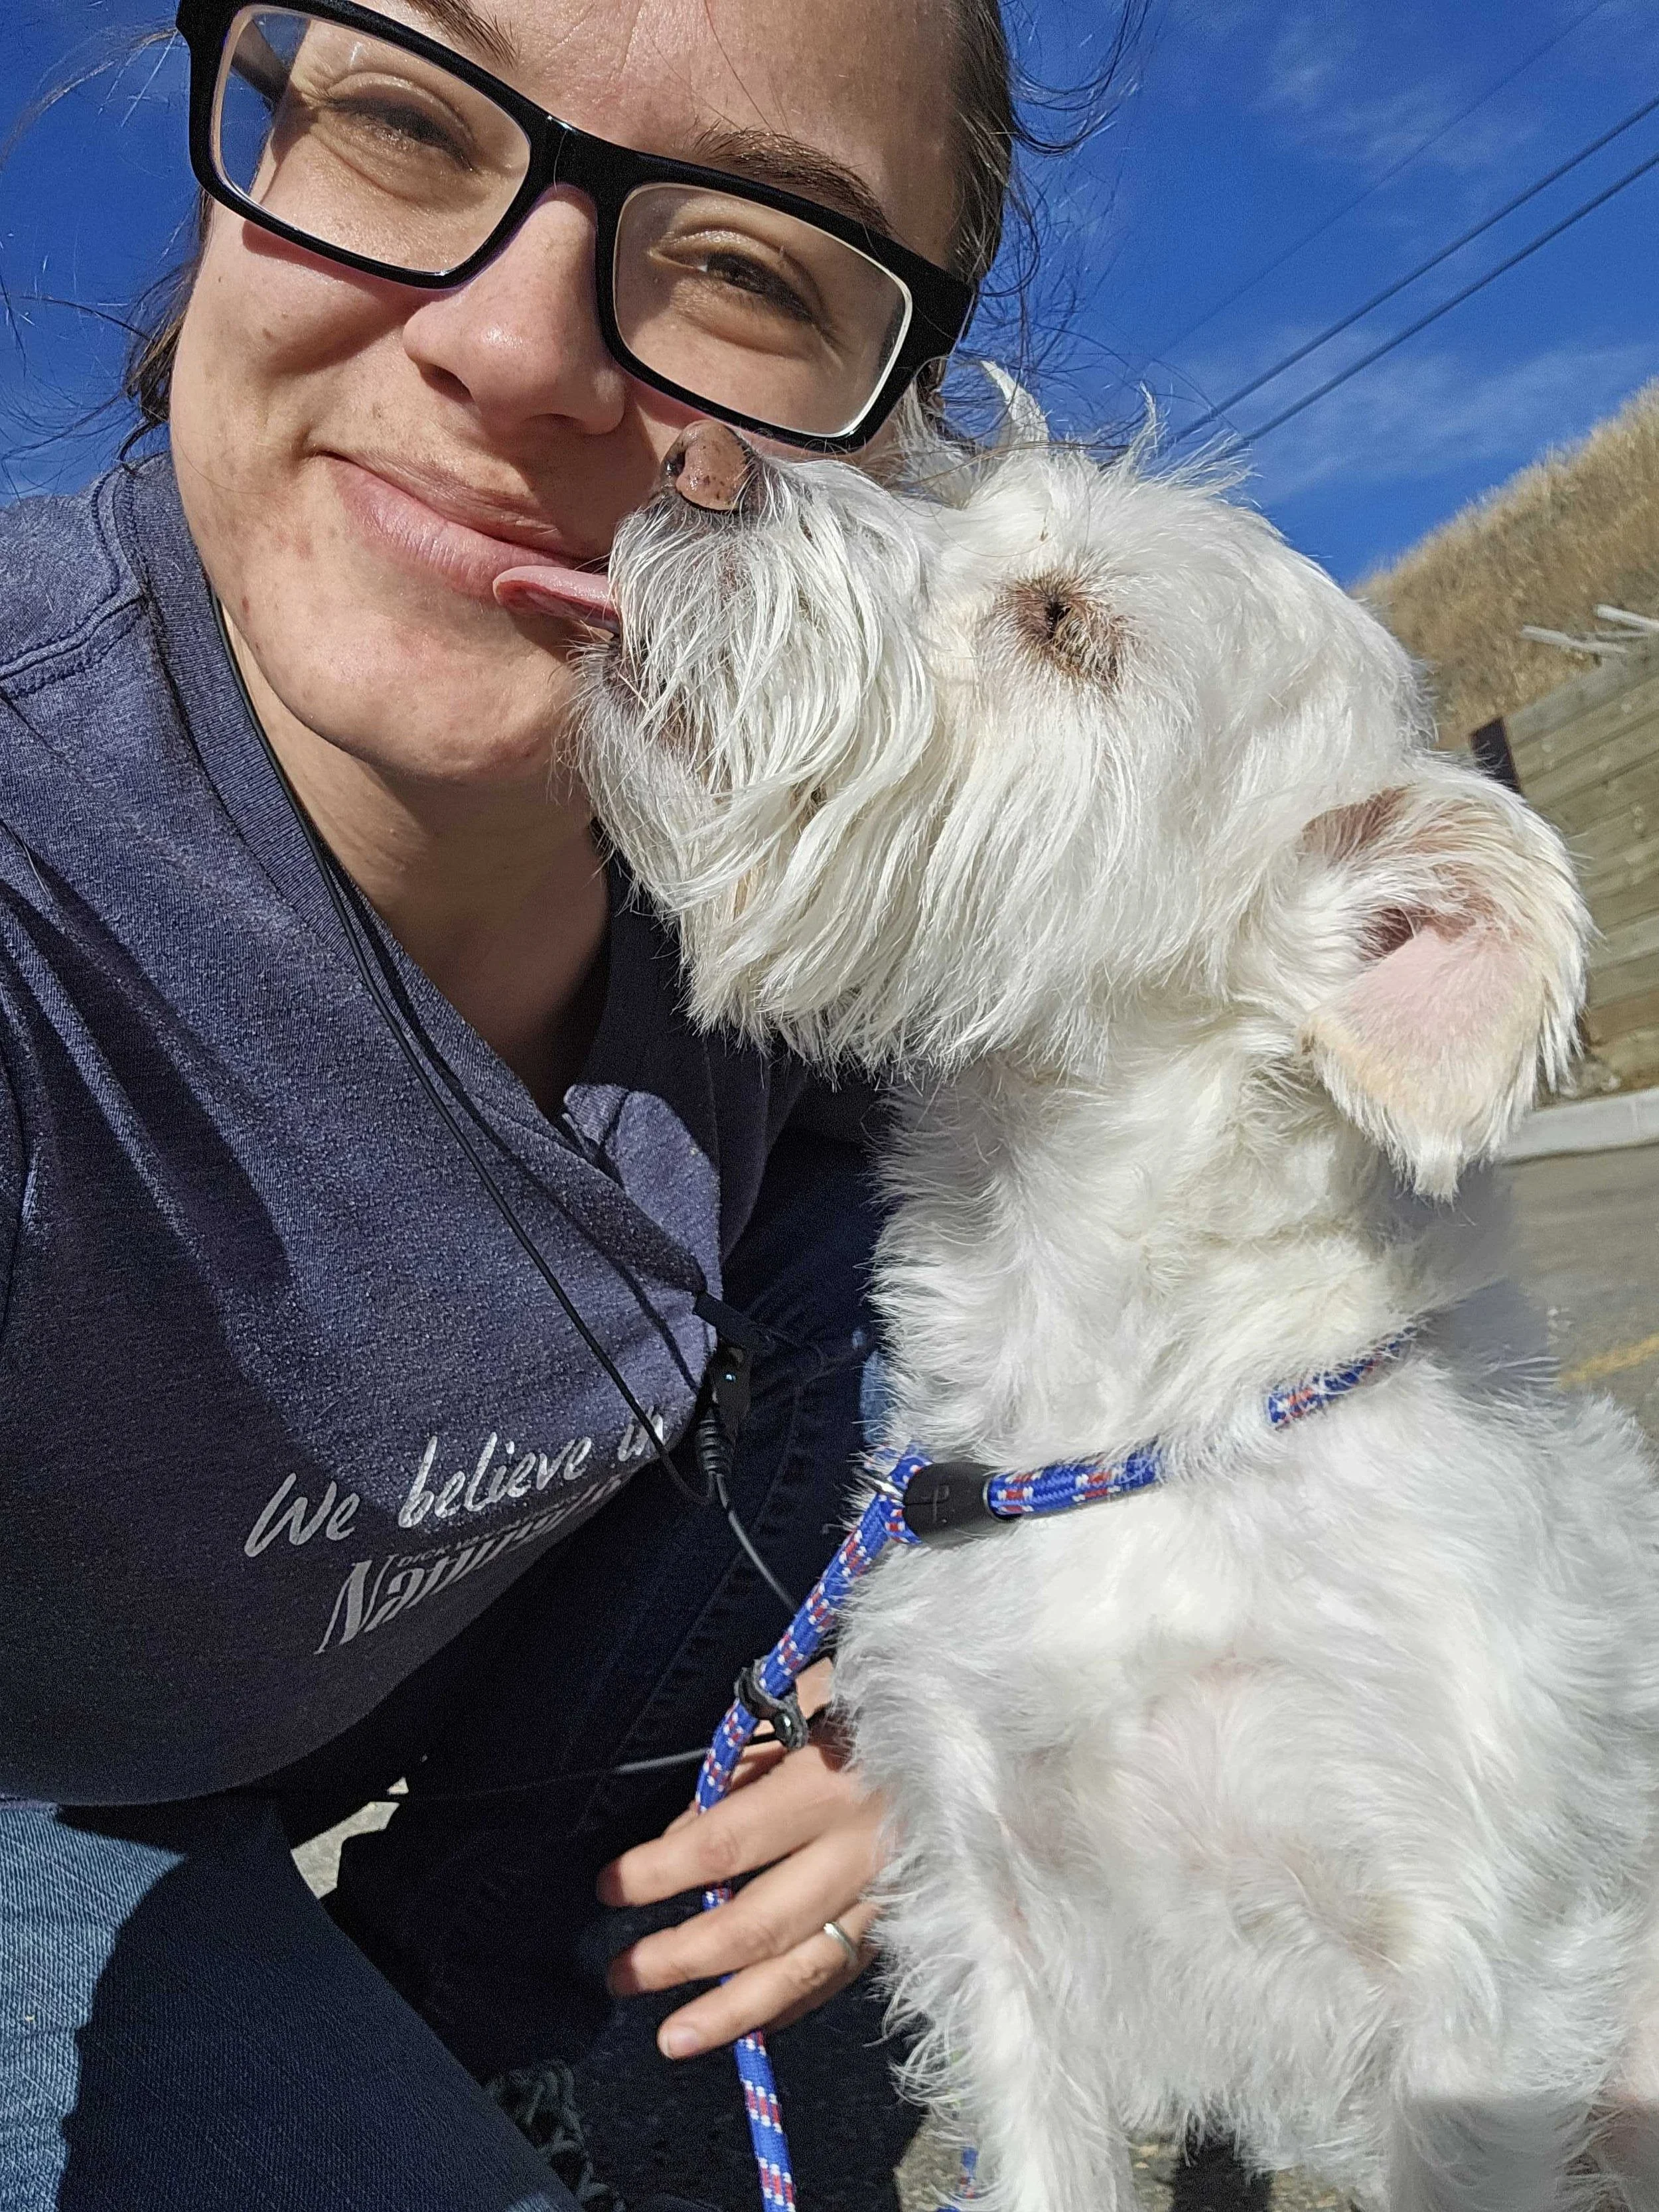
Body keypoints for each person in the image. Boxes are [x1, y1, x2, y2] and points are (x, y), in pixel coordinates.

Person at [0, 1, 1118, 2207]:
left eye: (748, 260)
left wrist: (997, 1668)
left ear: (886, 441)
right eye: (409, 121)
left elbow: (1242, 1335)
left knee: (927, 1236)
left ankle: (480, 1991)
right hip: (40, 1798)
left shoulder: (814, 882)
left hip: (473, 1701)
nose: (516, 349)